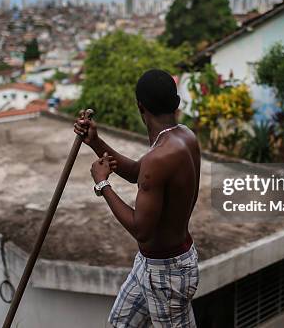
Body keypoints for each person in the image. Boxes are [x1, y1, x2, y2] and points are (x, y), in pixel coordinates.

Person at [74, 69, 201, 327]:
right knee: (120, 324)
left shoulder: (160, 157)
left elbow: (140, 229)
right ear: (175, 103)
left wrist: (102, 184)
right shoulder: (184, 136)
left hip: (167, 273)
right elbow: (135, 173)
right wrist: (95, 142)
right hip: (149, 263)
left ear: (140, 106)